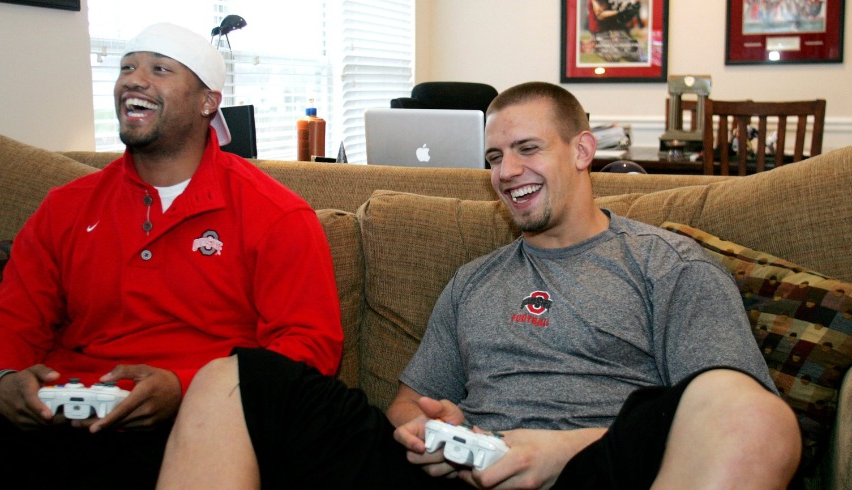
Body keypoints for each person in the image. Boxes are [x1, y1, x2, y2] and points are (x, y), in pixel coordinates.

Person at [156, 81, 801, 489]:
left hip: (595, 469)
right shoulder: (474, 281)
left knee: (749, 411)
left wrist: (559, 452)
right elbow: (408, 405)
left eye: (526, 149)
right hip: (463, 476)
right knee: (232, 378)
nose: (506, 171)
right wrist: (429, 430)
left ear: (581, 151)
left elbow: (731, 415)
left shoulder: (669, 265)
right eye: (494, 157)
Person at [0, 23, 343, 488]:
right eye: (126, 68)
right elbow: (11, 320)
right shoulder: (66, 207)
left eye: (160, 69)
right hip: (64, 417)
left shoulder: (276, 214)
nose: (134, 80)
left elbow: (309, 346)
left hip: (201, 428)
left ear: (207, 102)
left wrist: (187, 388)